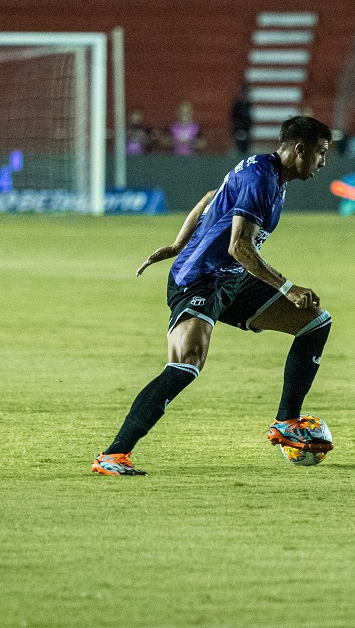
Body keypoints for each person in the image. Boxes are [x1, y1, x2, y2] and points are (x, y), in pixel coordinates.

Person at [91, 116, 334, 476]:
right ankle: (114, 455)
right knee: (186, 363)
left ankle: (287, 422)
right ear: (300, 149)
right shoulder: (260, 178)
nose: (323, 162)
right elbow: (239, 247)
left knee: (315, 323)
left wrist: (177, 242)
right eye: (320, 153)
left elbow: (210, 198)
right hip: (199, 279)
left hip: (231, 279)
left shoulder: (269, 175)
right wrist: (287, 287)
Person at [231, 83, 253, 155]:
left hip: (247, 128)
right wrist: (235, 128)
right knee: (240, 147)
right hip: (238, 128)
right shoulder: (237, 103)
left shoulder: (248, 104)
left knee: (246, 148)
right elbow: (233, 117)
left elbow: (250, 117)